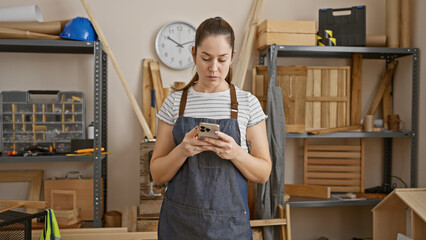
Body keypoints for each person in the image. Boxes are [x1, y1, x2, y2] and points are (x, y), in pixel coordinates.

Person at [150, 17, 271, 240]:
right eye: (205, 58)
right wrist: (183, 150)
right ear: (194, 53)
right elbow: (157, 174)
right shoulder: (175, 103)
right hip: (180, 226)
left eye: (222, 59)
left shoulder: (247, 103)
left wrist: (235, 153)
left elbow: (263, 174)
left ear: (233, 57)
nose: (213, 68)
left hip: (230, 227)